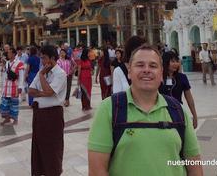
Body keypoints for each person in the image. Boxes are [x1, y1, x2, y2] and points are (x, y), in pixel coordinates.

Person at [88, 44, 202, 176]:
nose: (146, 70)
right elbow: (97, 170)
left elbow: (194, 165)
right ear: (129, 72)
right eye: (140, 65)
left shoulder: (177, 110)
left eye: (153, 66)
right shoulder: (110, 109)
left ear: (161, 74)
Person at [29, 45, 67, 176]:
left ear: (52, 58)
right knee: (38, 148)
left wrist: (41, 77)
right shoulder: (42, 72)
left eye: (44, 58)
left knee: (53, 148)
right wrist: (43, 91)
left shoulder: (60, 74)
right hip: (39, 114)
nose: (42, 61)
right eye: (41, 58)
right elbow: (31, 91)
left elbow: (49, 91)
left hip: (53, 115)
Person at [159, 51, 198, 128]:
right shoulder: (158, 77)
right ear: (166, 62)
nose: (176, 64)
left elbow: (189, 98)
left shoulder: (182, 78)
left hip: (177, 112)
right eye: (172, 61)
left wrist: (194, 115)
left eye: (177, 61)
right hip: (161, 113)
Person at [0, 47, 25, 125]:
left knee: (14, 103)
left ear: (13, 54)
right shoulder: (7, 63)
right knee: (6, 103)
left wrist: (20, 87)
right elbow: (5, 74)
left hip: (15, 86)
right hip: (7, 86)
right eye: (8, 53)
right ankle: (7, 118)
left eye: (9, 53)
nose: (8, 54)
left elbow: (21, 76)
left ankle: (15, 119)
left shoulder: (19, 63)